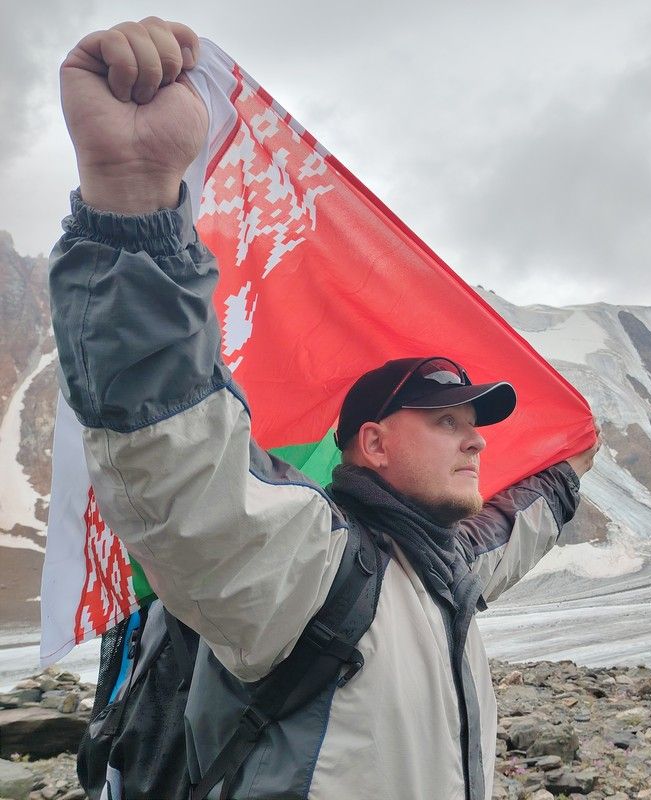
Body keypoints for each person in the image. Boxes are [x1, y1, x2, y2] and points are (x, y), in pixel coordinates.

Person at [51, 17, 599, 800]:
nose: (473, 443)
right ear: (371, 443)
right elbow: (172, 457)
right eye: (445, 422)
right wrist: (133, 203)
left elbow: (514, 527)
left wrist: (569, 470)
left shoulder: (444, 569)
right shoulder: (301, 562)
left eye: (473, 426)